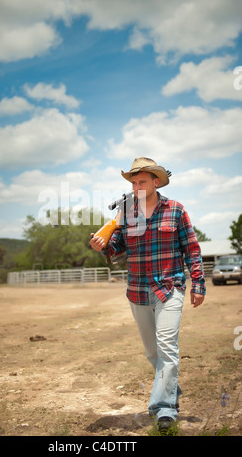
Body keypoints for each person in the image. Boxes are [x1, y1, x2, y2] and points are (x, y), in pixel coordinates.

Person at [90, 157, 206, 433]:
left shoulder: (176, 210)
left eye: (141, 181)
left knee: (167, 347)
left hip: (170, 287)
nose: (136, 186)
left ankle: (164, 409)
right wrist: (102, 245)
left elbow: (191, 248)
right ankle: (170, 389)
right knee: (153, 352)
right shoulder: (126, 214)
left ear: (156, 182)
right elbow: (117, 248)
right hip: (138, 291)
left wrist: (198, 283)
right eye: (133, 182)